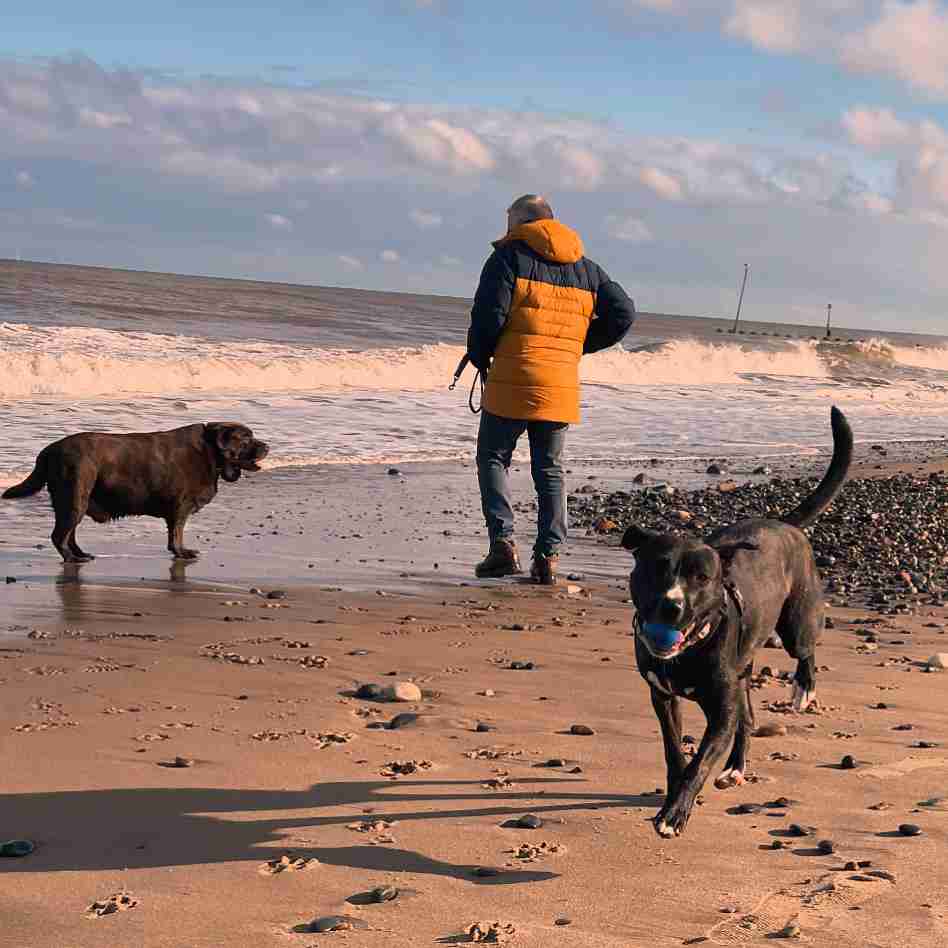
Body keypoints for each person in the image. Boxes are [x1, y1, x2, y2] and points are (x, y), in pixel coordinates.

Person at [467, 194, 636, 584]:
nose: (507, 229)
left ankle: (502, 547)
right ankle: (548, 557)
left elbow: (488, 315)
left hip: (514, 375)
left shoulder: (508, 258)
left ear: (524, 222)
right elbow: (624, 313)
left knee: (493, 458)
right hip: (558, 381)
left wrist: (479, 355)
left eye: (511, 221)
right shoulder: (588, 269)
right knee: (550, 470)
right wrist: (578, 344)